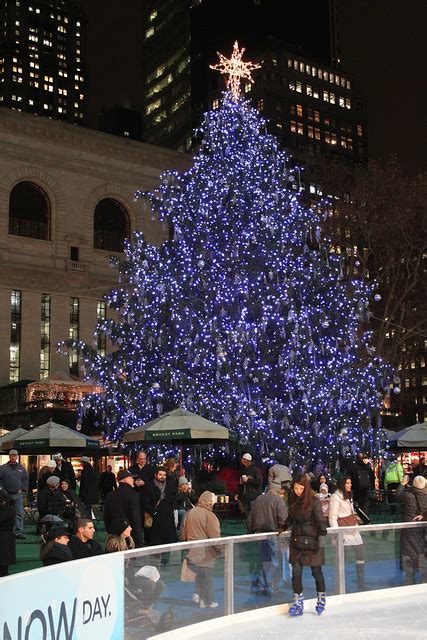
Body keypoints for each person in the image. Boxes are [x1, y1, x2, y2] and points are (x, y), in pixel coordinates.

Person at [287, 473, 327, 616]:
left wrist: (321, 538)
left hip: (313, 541)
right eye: (296, 488)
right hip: (297, 541)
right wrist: (281, 527)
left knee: (316, 571)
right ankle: (298, 602)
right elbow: (290, 519)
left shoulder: (314, 501)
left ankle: (321, 598)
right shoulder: (293, 501)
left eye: (300, 489)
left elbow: (321, 521)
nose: (298, 492)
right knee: (296, 572)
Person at [180, 491, 222, 608]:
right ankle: (208, 601)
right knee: (207, 576)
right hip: (205, 553)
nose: (214, 504)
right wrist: (221, 549)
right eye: (213, 502)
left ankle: (198, 595)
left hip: (192, 551)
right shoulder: (210, 516)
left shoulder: (189, 512)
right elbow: (215, 538)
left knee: (199, 574)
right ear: (210, 501)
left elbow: (183, 534)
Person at [247, 480, 289, 596]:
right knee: (274, 562)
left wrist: (250, 533)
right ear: (278, 489)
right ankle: (273, 588)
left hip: (259, 535)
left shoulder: (258, 499)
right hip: (273, 535)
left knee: (261, 562)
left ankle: (261, 587)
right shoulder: (278, 500)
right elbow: (284, 519)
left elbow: (250, 519)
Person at [329, 476, 365, 589]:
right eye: (348, 483)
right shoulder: (335, 497)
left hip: (353, 530)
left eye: (350, 482)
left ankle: (360, 583)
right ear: (342, 484)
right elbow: (332, 516)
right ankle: (340, 585)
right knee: (341, 558)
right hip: (343, 532)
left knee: (360, 554)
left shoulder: (348, 495)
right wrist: (336, 534)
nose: (350, 485)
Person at [396, 475, 427, 584]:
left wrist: (403, 484)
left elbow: (397, 496)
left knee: (408, 555)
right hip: (423, 532)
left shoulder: (408, 495)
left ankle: (409, 582)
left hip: (408, 530)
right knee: (423, 555)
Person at [103, 469, 143, 547]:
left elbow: (106, 518)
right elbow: (135, 518)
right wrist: (138, 539)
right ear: (125, 479)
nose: (133, 479)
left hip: (113, 537)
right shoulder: (133, 495)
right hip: (129, 537)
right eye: (131, 477)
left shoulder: (110, 496)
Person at [143, 466, 177, 547]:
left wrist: (171, 509)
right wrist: (154, 513)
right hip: (155, 519)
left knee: (168, 543)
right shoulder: (149, 486)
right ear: (155, 475)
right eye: (160, 474)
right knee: (156, 544)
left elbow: (173, 499)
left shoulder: (170, 485)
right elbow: (145, 502)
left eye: (164, 475)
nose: (162, 477)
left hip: (168, 517)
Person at [0, 449, 28, 539]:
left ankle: (18, 532)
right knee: (5, 513)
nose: (13, 457)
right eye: (11, 455)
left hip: (18, 494)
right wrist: (2, 490)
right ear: (9, 456)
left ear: (17, 457)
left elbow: (25, 479)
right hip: (6, 495)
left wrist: (23, 489)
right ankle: (6, 531)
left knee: (19, 514)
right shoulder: (3, 468)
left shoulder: (21, 468)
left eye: (15, 455)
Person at [235, 453, 263, 518]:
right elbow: (241, 484)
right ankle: (250, 527)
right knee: (248, 516)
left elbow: (259, 481)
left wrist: (248, 480)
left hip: (254, 496)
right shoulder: (244, 470)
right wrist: (238, 493)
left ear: (247, 460)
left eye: (243, 459)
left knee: (254, 515)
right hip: (246, 496)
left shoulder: (255, 469)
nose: (242, 461)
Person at [0, 489, 16, 577]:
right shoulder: (10, 508)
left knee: (3, 569)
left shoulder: (6, 510)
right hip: (7, 538)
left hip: (4, 538)